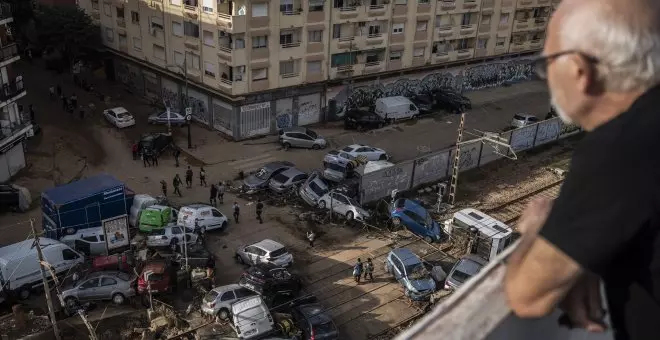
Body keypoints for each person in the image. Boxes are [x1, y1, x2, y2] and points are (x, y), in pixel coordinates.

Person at [503, 1, 660, 340]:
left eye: (546, 65)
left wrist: (536, 228)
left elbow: (526, 295)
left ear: (578, 70)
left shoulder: (621, 148)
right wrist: (585, 253)